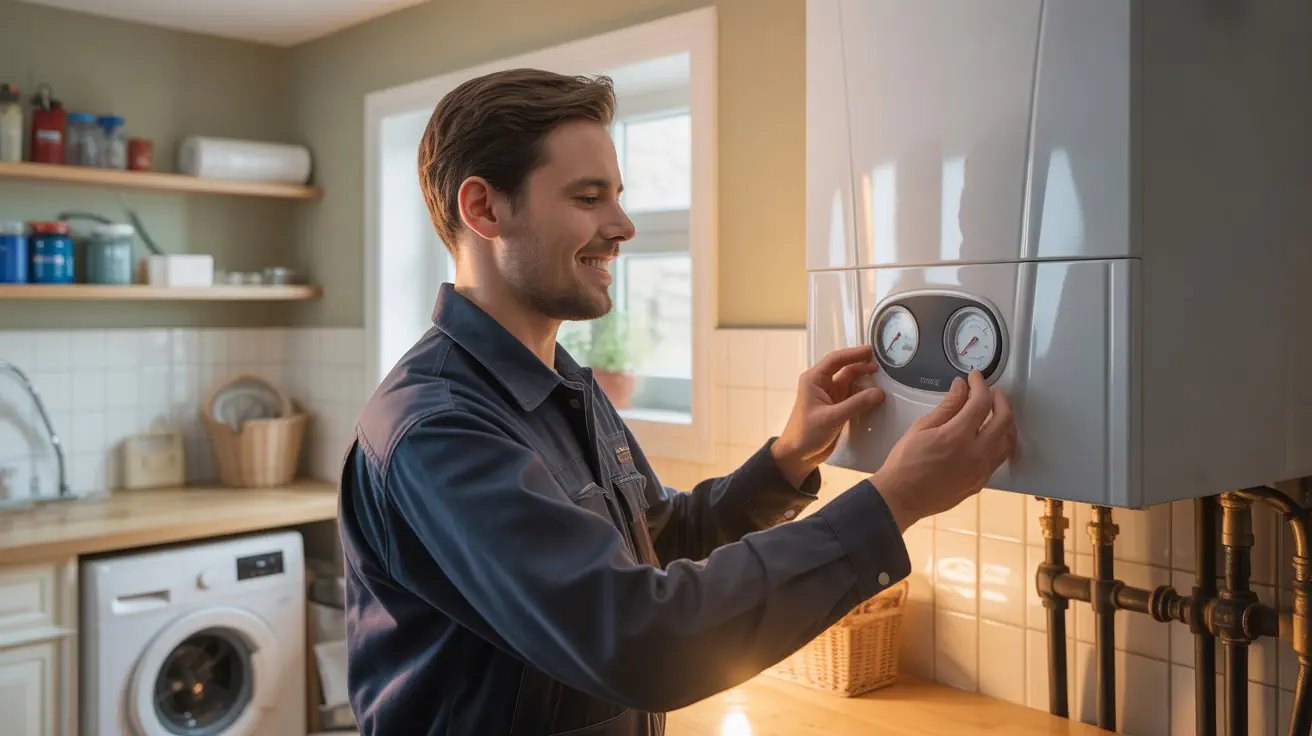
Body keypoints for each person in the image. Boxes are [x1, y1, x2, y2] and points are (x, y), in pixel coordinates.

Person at [337, 68, 1016, 736]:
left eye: (618, 196)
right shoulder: (437, 429)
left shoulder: (561, 383)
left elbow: (658, 546)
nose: (623, 225)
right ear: (483, 208)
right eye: (588, 198)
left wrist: (785, 459)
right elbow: (637, 638)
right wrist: (895, 501)